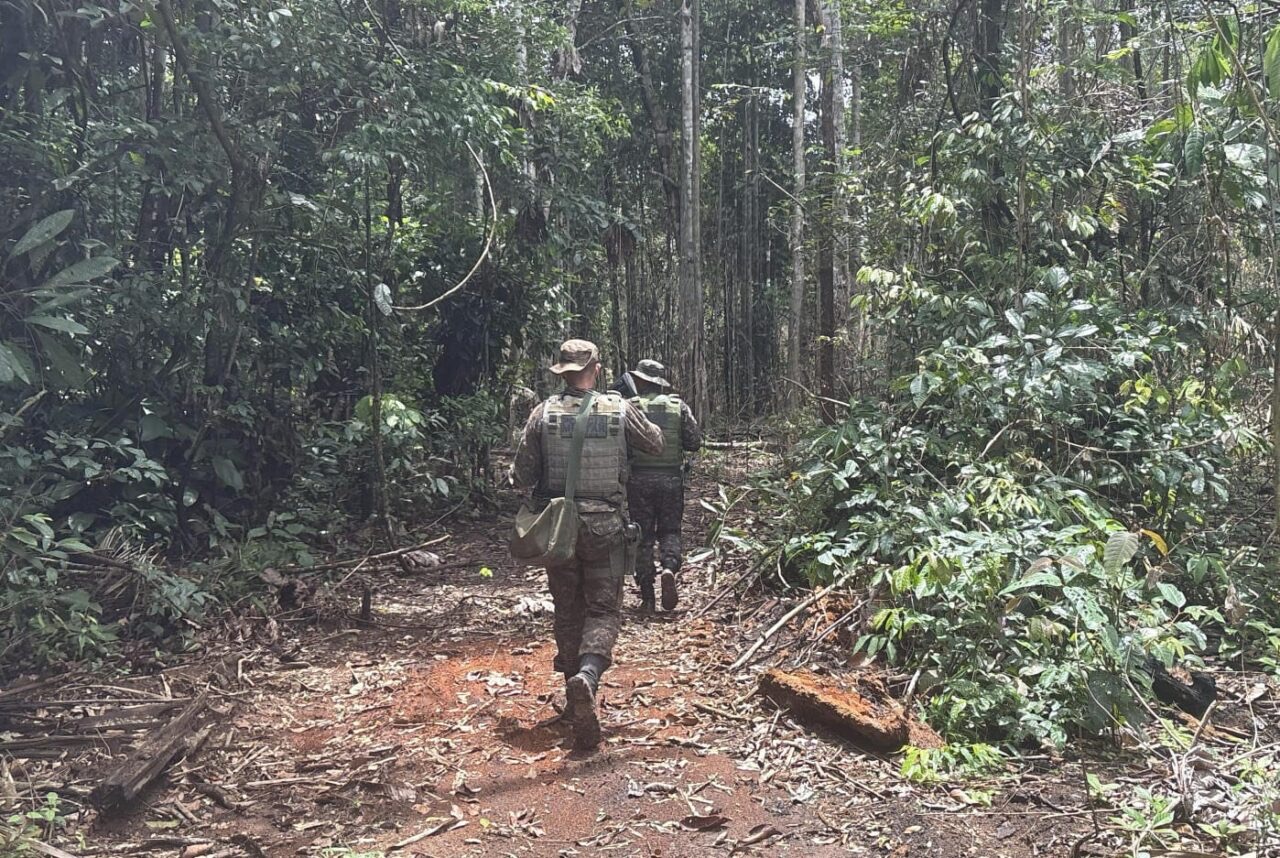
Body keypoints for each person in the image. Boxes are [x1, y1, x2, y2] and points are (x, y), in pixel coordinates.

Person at [510, 339, 664, 750]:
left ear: (561, 371)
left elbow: (521, 475)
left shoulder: (541, 414)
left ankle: (572, 693)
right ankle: (588, 678)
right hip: (605, 524)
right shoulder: (619, 408)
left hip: (560, 528)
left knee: (567, 608)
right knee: (603, 608)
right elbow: (656, 443)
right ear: (596, 368)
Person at [624, 359, 703, 613]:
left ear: (641, 381)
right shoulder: (678, 406)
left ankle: (647, 597)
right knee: (670, 531)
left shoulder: (630, 407)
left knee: (642, 535)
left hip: (639, 480)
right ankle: (669, 567)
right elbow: (694, 442)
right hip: (671, 480)